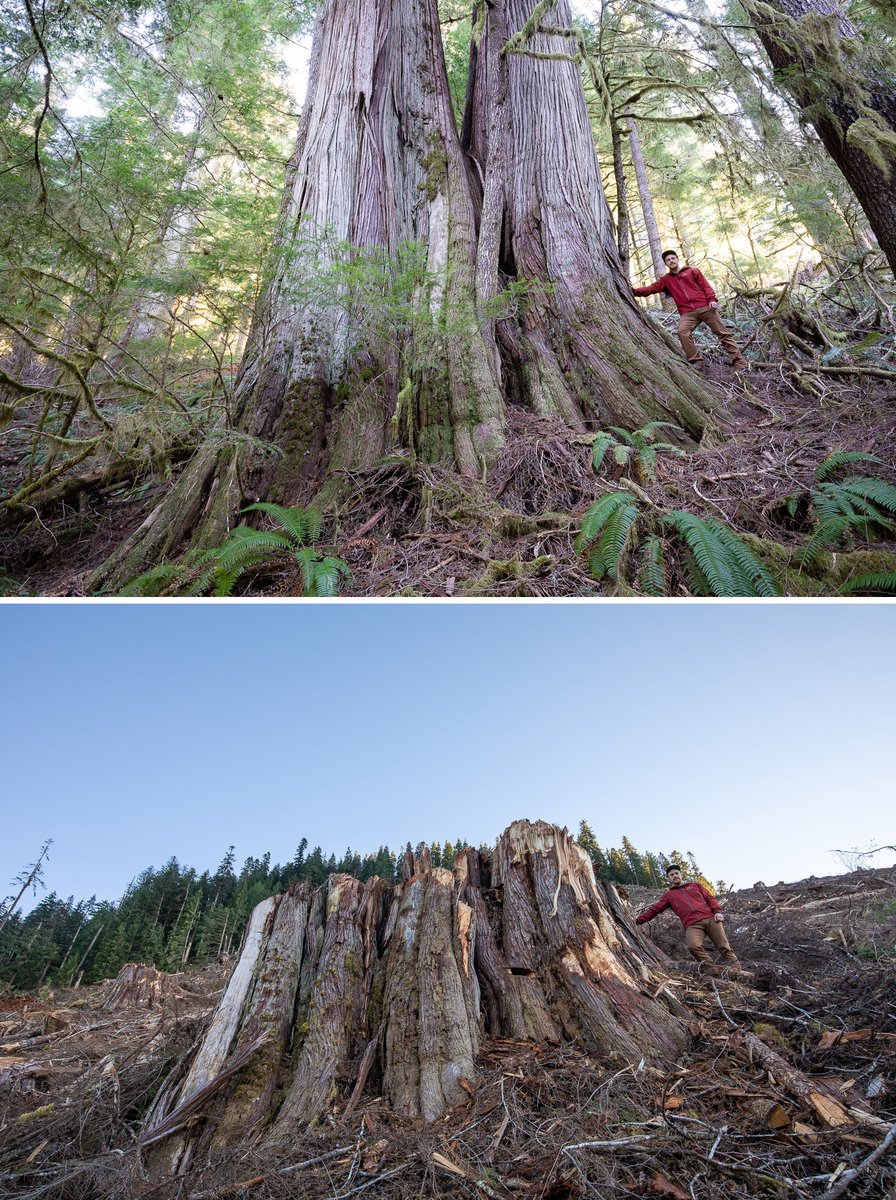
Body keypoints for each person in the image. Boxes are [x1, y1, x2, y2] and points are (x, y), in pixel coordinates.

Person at [632, 250, 748, 371]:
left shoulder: (692, 271)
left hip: (705, 307)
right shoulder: (666, 280)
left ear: (677, 259)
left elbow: (705, 286)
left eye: (672, 258)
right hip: (687, 313)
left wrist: (712, 299)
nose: (671, 261)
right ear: (666, 264)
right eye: (668, 260)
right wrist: (634, 291)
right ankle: (697, 361)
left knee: (723, 333)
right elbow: (651, 289)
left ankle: (740, 363)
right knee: (682, 332)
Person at [635, 863, 739, 968]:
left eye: (676, 873)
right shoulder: (669, 895)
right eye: (671, 875)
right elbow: (655, 910)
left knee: (724, 946)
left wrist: (717, 911)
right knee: (693, 946)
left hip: (710, 918)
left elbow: (710, 898)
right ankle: (712, 969)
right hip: (692, 925)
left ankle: (737, 971)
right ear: (668, 879)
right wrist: (637, 921)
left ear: (681, 875)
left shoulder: (695, 886)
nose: (675, 876)